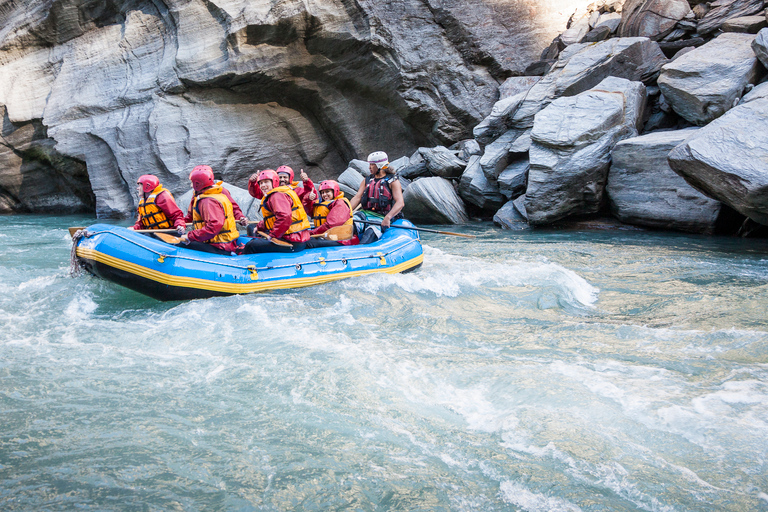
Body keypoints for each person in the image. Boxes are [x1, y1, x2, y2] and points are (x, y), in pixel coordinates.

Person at [242, 169, 311, 254]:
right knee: (252, 228)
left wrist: (273, 235)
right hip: (293, 238)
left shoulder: (277, 195)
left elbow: (284, 217)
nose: (263, 185)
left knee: (251, 245)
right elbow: (273, 218)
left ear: (274, 182)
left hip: (292, 242)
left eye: (266, 182)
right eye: (260, 183)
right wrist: (259, 226)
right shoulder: (278, 193)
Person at [178, 165, 240, 254]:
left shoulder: (207, 201)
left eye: (192, 183)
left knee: (181, 245)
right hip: (225, 242)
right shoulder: (216, 195)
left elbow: (214, 226)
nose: (191, 186)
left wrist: (189, 236)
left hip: (219, 246)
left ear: (198, 184)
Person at [349, 151, 405, 244]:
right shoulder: (367, 180)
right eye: (370, 164)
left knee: (368, 236)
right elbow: (357, 197)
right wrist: (346, 212)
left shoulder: (392, 181)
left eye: (372, 165)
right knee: (349, 227)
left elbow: (400, 202)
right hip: (364, 214)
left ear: (380, 165)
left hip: (381, 217)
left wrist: (388, 217)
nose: (369, 167)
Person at [308, 180, 357, 247]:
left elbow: (331, 225)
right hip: (326, 235)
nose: (324, 194)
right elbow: (309, 211)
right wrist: (308, 200)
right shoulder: (323, 203)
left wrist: (312, 232)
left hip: (340, 239)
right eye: (322, 192)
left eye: (327, 191)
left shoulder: (340, 204)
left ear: (335, 191)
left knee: (308, 242)